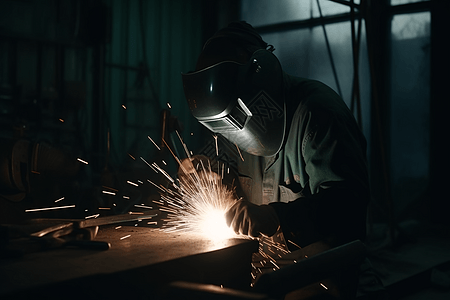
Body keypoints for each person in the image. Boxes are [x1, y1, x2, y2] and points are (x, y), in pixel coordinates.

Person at [182, 21, 383, 299]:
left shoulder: (319, 114)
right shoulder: (236, 121)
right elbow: (223, 168)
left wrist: (277, 216)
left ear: (259, 78)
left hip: (328, 277)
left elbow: (349, 205)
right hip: (270, 272)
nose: (234, 130)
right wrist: (205, 170)